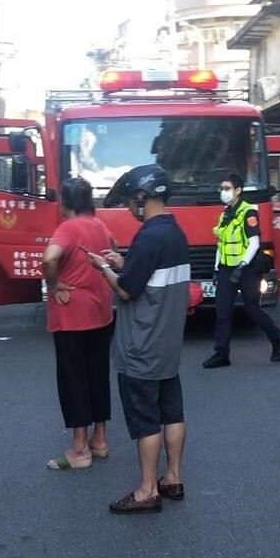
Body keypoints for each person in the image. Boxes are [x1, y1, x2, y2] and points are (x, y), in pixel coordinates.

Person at [83, 164, 190, 515]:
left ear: (143, 197)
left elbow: (127, 290)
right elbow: (148, 273)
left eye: (131, 200)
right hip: (168, 345)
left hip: (142, 345)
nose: (130, 208)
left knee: (146, 421)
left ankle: (146, 491)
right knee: (172, 413)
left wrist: (105, 269)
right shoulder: (175, 234)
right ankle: (172, 477)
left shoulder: (148, 235)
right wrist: (124, 261)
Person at [42, 177, 115, 471]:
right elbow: (113, 246)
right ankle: (99, 441)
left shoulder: (68, 228)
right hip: (101, 312)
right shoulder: (99, 225)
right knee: (98, 375)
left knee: (73, 380)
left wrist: (54, 283)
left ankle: (79, 449)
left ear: (67, 203)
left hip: (71, 315)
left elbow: (50, 258)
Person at [201, 172, 280, 368]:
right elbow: (221, 243)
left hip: (246, 269)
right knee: (222, 312)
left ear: (238, 190)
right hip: (225, 269)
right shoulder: (225, 214)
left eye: (227, 188)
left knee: (252, 310)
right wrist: (216, 268)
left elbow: (254, 243)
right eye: (221, 189)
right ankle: (221, 354)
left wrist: (241, 267)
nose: (223, 192)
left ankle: (278, 339)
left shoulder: (248, 212)